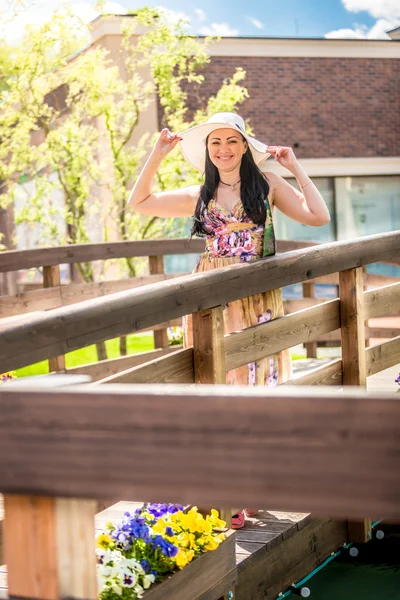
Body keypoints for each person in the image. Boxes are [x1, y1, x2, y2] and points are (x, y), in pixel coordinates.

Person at [128, 112, 331, 528]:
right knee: (220, 387)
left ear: (244, 145)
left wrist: (295, 167)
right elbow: (140, 202)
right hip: (211, 298)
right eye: (215, 142)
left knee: (259, 386)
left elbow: (318, 217)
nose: (223, 149)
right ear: (207, 149)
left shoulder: (269, 185)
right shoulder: (199, 193)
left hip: (256, 295)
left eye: (231, 141)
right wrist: (156, 155)